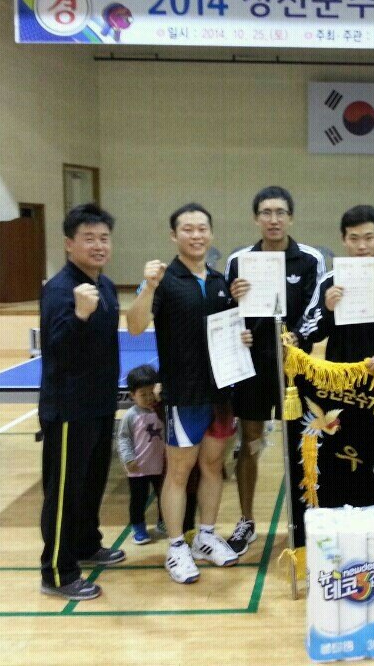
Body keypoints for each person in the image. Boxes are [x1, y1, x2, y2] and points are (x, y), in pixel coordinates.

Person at [127, 203, 250, 584]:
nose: (196, 235)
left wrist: (242, 336)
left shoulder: (219, 282)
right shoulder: (163, 281)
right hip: (184, 394)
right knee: (179, 472)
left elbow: (229, 331)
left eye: (202, 229)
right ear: (174, 236)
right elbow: (134, 326)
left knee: (213, 467)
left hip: (221, 393)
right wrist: (148, 286)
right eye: (188, 229)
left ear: (211, 234)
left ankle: (206, 537)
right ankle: (177, 545)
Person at [224, 186, 325, 555]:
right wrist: (234, 305)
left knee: (300, 443)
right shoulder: (239, 261)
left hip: (294, 369)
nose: (273, 219)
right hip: (251, 368)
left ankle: (302, 518)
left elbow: (318, 310)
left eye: (280, 212)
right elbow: (225, 313)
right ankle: (246, 520)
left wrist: (298, 336)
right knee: (249, 441)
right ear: (256, 219)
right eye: (266, 212)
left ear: (291, 218)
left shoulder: (311, 260)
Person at [38, 203, 124, 601]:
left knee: (92, 484)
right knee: (64, 493)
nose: (98, 245)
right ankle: (58, 571)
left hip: (101, 402)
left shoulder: (105, 285)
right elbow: (56, 348)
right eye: (88, 238)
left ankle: (87, 543)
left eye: (104, 238)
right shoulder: (60, 290)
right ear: (69, 244)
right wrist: (79, 315)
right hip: (69, 408)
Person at [291, 205, 374, 390]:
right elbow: (307, 332)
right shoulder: (329, 282)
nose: (362, 246)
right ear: (343, 240)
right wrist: (327, 309)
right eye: (354, 238)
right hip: (342, 384)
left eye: (369, 238)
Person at [117, 365, 166, 546]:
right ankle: (138, 526)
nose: (148, 398)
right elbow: (123, 438)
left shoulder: (162, 411)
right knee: (138, 499)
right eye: (142, 394)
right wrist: (128, 459)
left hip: (160, 466)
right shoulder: (131, 416)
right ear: (132, 395)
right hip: (138, 468)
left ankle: (163, 521)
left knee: (164, 496)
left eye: (151, 393)